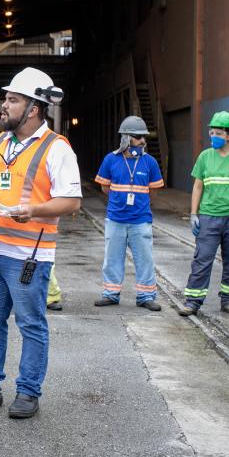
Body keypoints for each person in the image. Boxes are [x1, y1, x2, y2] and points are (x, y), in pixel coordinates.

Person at [0, 67, 81, 419]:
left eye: (12, 100)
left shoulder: (57, 149)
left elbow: (71, 202)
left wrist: (33, 209)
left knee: (31, 324)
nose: (4, 105)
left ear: (34, 108)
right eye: (6, 99)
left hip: (28, 255)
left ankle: (28, 392)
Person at [179, 111, 229, 316]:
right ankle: (193, 301)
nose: (213, 136)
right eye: (211, 132)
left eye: (218, 133)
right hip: (208, 216)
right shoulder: (205, 157)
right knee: (202, 258)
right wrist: (194, 214)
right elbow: (198, 186)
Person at [93, 116, 164, 311]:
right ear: (125, 138)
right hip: (116, 219)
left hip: (141, 220)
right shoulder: (111, 160)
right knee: (112, 258)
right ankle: (110, 293)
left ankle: (146, 296)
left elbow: (153, 191)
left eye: (143, 137)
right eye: (137, 137)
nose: (142, 141)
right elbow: (105, 187)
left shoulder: (150, 162)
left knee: (145, 259)